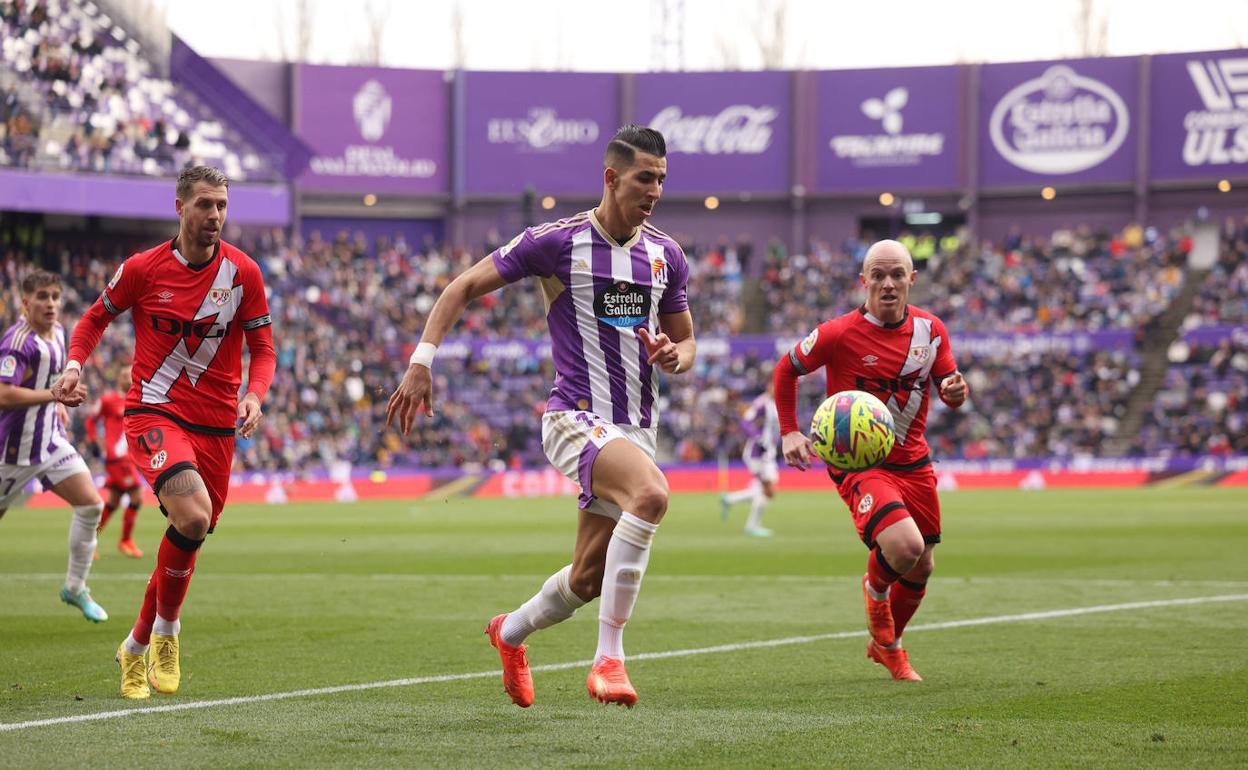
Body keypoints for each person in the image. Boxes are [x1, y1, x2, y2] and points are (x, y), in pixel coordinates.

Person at [387, 125, 693, 709]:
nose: (654, 190)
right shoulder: (558, 241)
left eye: (661, 179)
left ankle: (508, 633)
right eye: (644, 178)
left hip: (635, 429)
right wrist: (422, 360)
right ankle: (609, 660)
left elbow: (687, 341)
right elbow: (462, 287)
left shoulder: (666, 255)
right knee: (651, 496)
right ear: (611, 177)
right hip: (575, 417)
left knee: (586, 579)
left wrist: (677, 357)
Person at [52, 165, 276, 700]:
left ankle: (133, 647)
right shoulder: (142, 269)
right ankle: (168, 633)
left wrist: (254, 394)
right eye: (204, 204)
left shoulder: (243, 273)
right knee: (193, 516)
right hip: (155, 412)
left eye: (222, 204)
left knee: (190, 533)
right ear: (179, 207)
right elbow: (92, 320)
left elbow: (262, 348)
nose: (215, 215)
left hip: (218, 425)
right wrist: (75, 365)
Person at [772, 239, 968, 681]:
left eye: (897, 274)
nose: (887, 284)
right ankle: (875, 588)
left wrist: (957, 392)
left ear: (911, 279)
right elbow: (786, 370)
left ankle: (888, 647)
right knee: (904, 546)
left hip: (913, 462)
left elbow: (948, 385)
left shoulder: (931, 331)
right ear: (863, 281)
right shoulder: (838, 334)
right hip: (859, 462)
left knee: (923, 564)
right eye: (877, 275)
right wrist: (789, 430)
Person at [0, 270, 109, 623]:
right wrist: (53, 395)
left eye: (55, 297)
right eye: (42, 297)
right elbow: (3, 394)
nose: (50, 304)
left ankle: (75, 588)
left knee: (92, 504)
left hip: (49, 442)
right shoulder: (18, 343)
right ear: (25, 302)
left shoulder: (60, 332)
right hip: (11, 453)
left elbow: (50, 380)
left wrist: (58, 404)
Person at [85, 366, 144, 558]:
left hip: (128, 458)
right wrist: (94, 441)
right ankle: (125, 541)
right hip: (117, 458)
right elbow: (91, 420)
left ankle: (89, 542)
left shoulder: (137, 400)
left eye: (131, 374)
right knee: (136, 496)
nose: (130, 378)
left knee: (113, 501)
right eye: (126, 375)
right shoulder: (108, 400)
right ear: (119, 378)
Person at [720, 380, 780, 536]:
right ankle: (752, 526)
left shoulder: (776, 403)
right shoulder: (762, 403)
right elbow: (745, 422)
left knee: (765, 489)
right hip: (757, 453)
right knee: (767, 490)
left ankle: (729, 500)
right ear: (769, 386)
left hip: (769, 454)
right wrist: (758, 438)